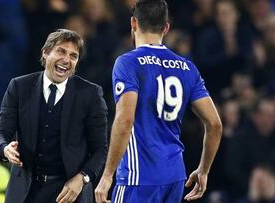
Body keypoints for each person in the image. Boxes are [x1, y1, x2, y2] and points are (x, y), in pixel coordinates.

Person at [94, 0, 222, 202]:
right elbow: (214, 124)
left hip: (139, 176)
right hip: (174, 176)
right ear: (166, 28)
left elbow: (125, 120)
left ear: (133, 23)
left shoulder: (128, 62)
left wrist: (107, 175)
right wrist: (203, 170)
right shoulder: (187, 68)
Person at [0, 29, 108, 203]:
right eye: (61, 51)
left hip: (70, 193)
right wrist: (5, 149)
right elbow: (0, 133)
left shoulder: (90, 94)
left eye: (73, 56)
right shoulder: (19, 87)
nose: (66, 60)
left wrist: (82, 178)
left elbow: (100, 149)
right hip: (25, 191)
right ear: (45, 53)